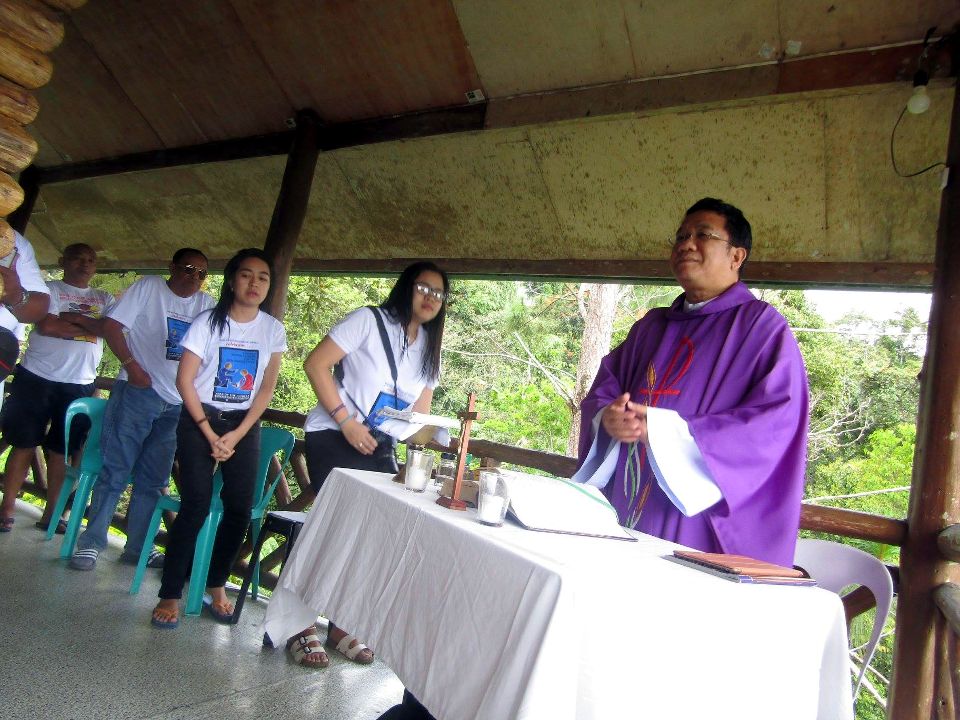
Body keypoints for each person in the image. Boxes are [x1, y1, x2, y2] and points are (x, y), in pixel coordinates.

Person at [573, 197, 809, 567]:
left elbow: (773, 427)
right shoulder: (651, 326)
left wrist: (668, 431)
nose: (686, 243)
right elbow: (606, 386)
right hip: (629, 501)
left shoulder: (762, 329)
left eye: (703, 234)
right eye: (681, 235)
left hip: (695, 519)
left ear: (736, 257)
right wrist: (607, 416)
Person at [284, 261, 449, 670]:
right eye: (423, 288)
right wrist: (346, 420)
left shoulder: (431, 348)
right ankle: (298, 625)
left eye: (439, 294)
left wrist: (447, 437)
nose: (430, 298)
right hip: (333, 433)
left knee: (369, 534)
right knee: (333, 524)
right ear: (406, 288)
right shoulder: (367, 320)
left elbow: (417, 425)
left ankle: (342, 625)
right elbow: (315, 364)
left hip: (378, 444)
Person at [152, 248, 286, 629]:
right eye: (246, 275)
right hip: (200, 419)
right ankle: (170, 593)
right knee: (194, 504)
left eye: (262, 277)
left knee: (239, 508)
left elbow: (265, 390)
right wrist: (210, 432)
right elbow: (185, 380)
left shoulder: (273, 330)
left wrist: (238, 434)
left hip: (244, 425)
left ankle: (216, 584)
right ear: (232, 280)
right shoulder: (207, 323)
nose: (254, 283)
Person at [69, 248, 214, 571]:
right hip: (139, 391)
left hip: (177, 403)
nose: (195, 277)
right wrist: (132, 367)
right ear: (172, 267)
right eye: (189, 269)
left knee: (153, 479)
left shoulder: (206, 305)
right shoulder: (149, 287)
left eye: (202, 273)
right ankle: (90, 543)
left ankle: (137, 547)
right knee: (115, 470)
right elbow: (110, 327)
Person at [0, 244, 112, 534]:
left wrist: (71, 321)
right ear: (63, 261)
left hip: (80, 384)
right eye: (78, 258)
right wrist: (90, 325)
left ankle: (52, 516)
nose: (85, 264)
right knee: (22, 442)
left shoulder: (104, 298)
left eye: (91, 260)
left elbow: (109, 330)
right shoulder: (46, 290)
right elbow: (48, 327)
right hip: (36, 377)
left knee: (62, 450)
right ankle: (7, 509)